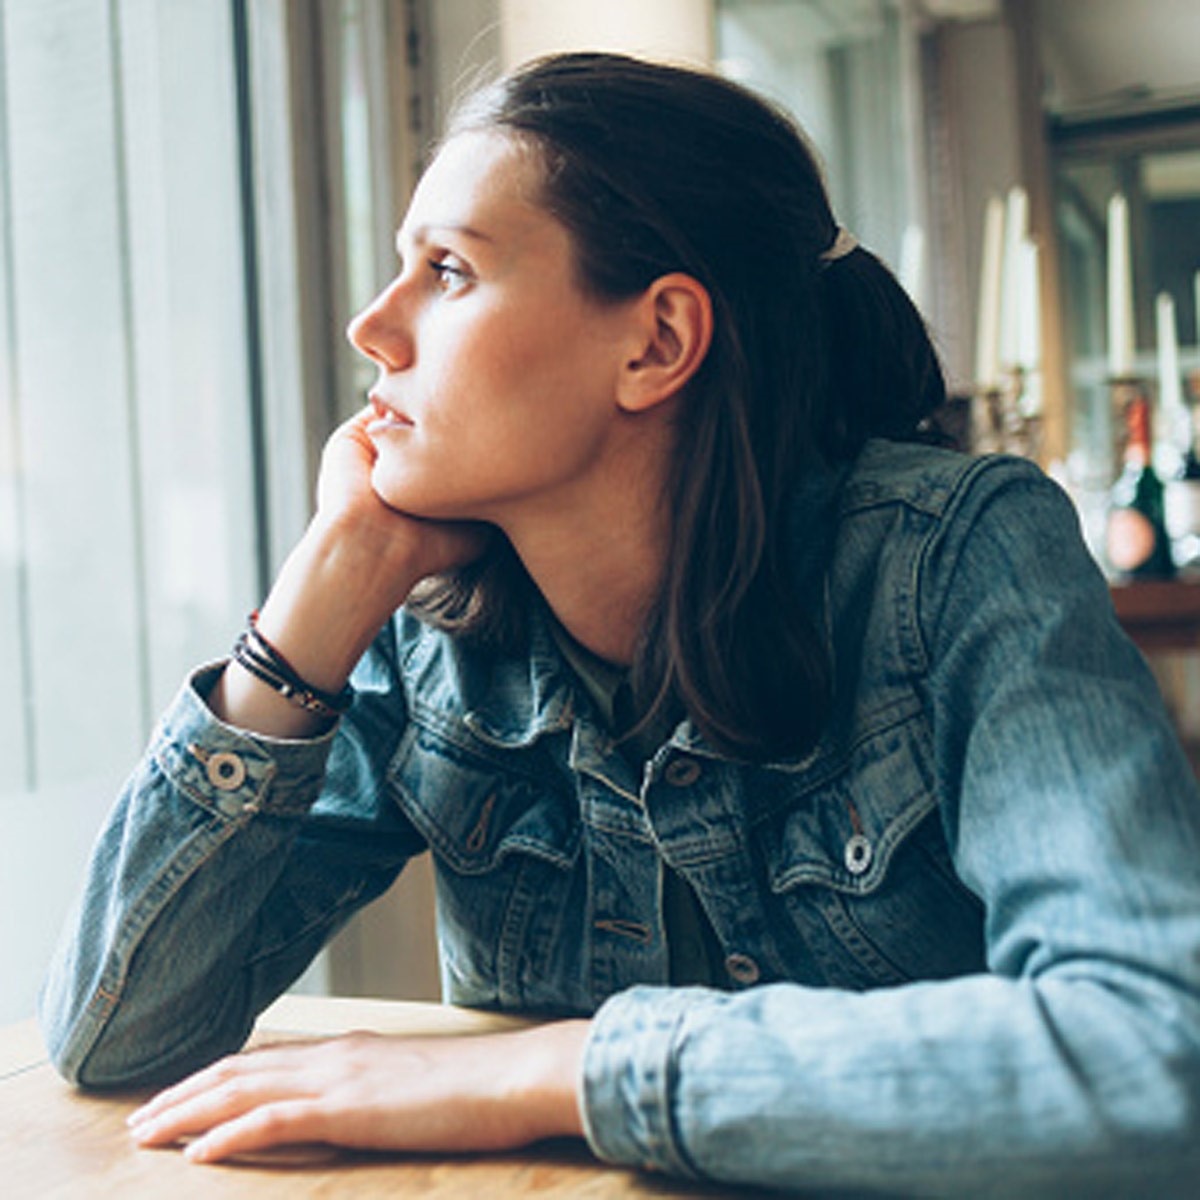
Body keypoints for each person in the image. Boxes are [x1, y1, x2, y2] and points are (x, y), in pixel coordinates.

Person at [40, 51, 1200, 1196]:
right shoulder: (421, 629)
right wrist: (315, 598)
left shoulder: (956, 557)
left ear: (656, 343)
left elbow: (1153, 1054)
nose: (371, 328)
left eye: (447, 271)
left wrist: (565, 1068)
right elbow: (119, 1037)